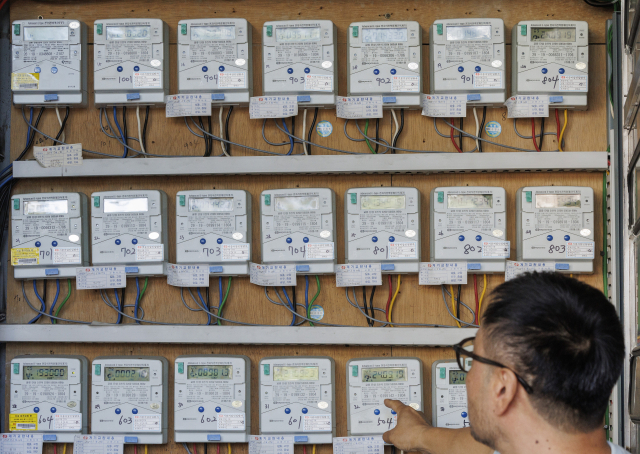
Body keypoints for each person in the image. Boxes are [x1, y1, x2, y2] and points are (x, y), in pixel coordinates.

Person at [383, 272, 626, 454]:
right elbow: (475, 446)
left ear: (503, 389)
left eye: (473, 360)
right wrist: (419, 435)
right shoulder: (519, 443)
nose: (468, 377)